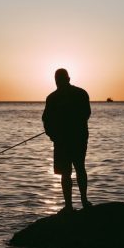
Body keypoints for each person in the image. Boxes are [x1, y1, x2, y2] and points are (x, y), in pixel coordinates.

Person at [42, 68, 92, 212]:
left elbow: (46, 120)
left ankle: (71, 205)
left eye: (58, 80)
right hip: (76, 138)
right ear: (68, 79)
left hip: (66, 139)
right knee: (78, 169)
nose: (58, 83)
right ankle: (82, 202)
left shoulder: (52, 97)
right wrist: (54, 134)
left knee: (68, 172)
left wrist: (53, 134)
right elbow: (86, 114)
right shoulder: (81, 93)